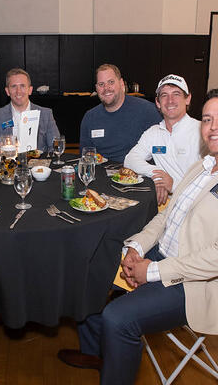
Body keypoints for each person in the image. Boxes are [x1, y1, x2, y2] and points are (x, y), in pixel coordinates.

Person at [58, 89, 218, 385]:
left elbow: (214, 259)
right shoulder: (202, 167)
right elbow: (166, 217)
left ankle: (116, 355)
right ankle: (100, 353)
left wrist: (153, 271)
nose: (212, 127)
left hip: (194, 283)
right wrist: (136, 246)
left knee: (117, 318)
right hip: (161, 255)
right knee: (89, 271)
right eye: (208, 119)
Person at [124, 74, 201, 206]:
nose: (170, 100)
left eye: (176, 94)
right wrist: (158, 176)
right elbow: (130, 160)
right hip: (166, 206)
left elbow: (211, 185)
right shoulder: (153, 132)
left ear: (188, 99)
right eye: (164, 95)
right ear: (158, 103)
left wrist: (173, 185)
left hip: (195, 207)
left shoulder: (203, 132)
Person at [79, 64, 161, 162]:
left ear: (121, 84)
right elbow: (86, 156)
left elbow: (161, 151)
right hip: (101, 170)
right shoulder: (90, 117)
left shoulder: (148, 111)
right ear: (96, 88)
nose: (106, 88)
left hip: (138, 170)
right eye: (101, 84)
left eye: (111, 82)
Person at [0, 68, 60, 155]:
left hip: (38, 162)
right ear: (7, 91)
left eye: (22, 86)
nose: (18, 91)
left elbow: (56, 145)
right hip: (9, 161)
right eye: (14, 86)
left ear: (30, 90)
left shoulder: (45, 114)